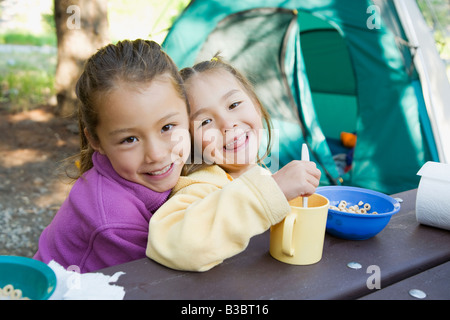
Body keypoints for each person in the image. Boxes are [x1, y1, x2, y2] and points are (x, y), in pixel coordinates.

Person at [146, 55, 321, 271]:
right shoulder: (200, 185)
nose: (228, 123)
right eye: (206, 121)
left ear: (256, 105)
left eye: (234, 104)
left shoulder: (263, 173)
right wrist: (273, 191)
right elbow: (176, 244)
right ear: (189, 140)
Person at [34, 39, 190, 273]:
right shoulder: (113, 220)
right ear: (96, 141)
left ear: (189, 113)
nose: (156, 154)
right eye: (130, 139)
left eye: (167, 127)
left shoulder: (192, 154)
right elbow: (158, 285)